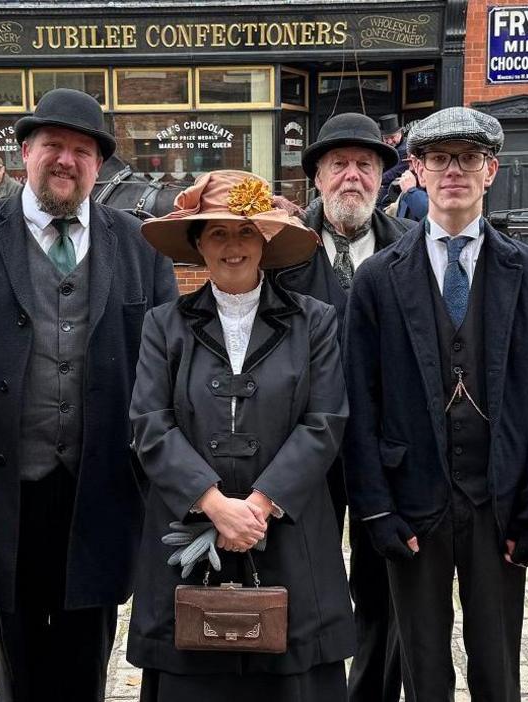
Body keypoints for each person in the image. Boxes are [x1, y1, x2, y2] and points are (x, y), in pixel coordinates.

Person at [0, 88, 178, 702]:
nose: (66, 161)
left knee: (87, 654)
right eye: (53, 146)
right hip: (5, 487)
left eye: (82, 150)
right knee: (15, 658)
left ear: (100, 165)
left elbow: (164, 367)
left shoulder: (142, 246)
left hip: (99, 485)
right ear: (26, 152)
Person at [342, 106, 528, 702]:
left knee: (498, 665)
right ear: (416, 168)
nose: (454, 171)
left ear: (491, 170)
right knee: (422, 666)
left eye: (469, 159)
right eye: (440, 158)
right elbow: (359, 404)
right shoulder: (376, 278)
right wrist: (374, 512)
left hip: (498, 499)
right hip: (413, 498)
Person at [128, 169, 354, 701]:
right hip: (190, 535)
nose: (233, 247)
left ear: (265, 240)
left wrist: (258, 505)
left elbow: (325, 421)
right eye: (218, 234)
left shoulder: (314, 321)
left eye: (245, 232)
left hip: (289, 535)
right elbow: (148, 423)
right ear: (198, 245)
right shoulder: (164, 325)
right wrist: (212, 503)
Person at [271, 111, 407, 702]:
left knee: (385, 587)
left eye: (365, 164)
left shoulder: (411, 247)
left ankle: (371, 692)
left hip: (387, 448)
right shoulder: (280, 249)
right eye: (339, 165)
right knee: (301, 577)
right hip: (303, 446)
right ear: (317, 178)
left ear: (382, 176)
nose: (352, 176)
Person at [376, 114, 408, 207]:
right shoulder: (383, 147)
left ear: (400, 133)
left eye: (392, 137)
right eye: (386, 138)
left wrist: (375, 180)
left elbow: (393, 172)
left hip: (395, 193)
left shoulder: (405, 150)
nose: (389, 142)